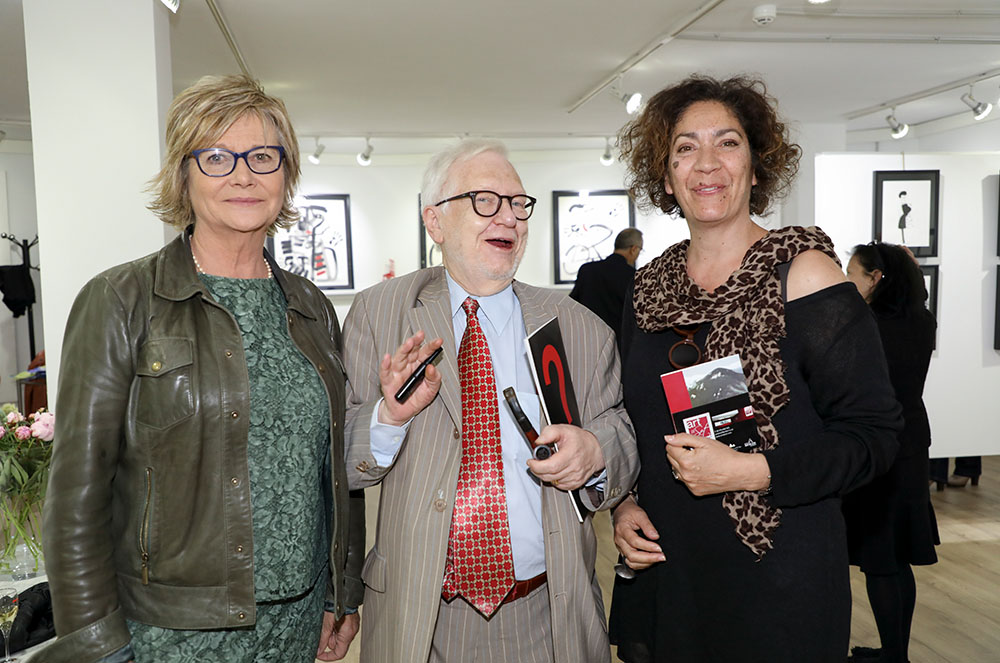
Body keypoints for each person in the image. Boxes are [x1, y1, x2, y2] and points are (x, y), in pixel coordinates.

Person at [41, 75, 364, 663]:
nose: (243, 176)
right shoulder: (122, 299)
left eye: (263, 157)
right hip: (169, 633)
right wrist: (96, 644)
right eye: (216, 157)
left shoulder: (311, 306)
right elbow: (75, 497)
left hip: (297, 623)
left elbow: (332, 470)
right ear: (183, 175)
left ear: (286, 173)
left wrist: (339, 594)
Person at [607, 75, 902, 663]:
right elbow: (631, 420)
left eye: (728, 142)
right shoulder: (648, 291)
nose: (707, 163)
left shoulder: (807, 277)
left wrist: (751, 471)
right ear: (666, 177)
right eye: (685, 147)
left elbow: (875, 436)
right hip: (668, 568)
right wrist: (623, 504)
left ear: (756, 165)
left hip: (777, 577)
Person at [342, 139, 637, 663]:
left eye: (518, 203)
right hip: (420, 619)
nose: (508, 217)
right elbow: (342, 458)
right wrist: (389, 417)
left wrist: (595, 451)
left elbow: (621, 433)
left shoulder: (578, 327)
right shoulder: (379, 314)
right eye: (484, 200)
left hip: (548, 614)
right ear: (434, 221)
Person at [843, 241, 939, 663]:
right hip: (911, 443)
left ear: (875, 278)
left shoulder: (868, 326)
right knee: (897, 557)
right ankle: (895, 652)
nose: (846, 281)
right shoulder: (922, 319)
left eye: (852, 274)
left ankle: (893, 657)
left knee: (881, 559)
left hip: (879, 448)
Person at [569, 228, 643, 336]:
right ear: (634, 249)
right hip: (618, 340)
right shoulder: (633, 276)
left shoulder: (587, 270)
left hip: (587, 336)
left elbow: (572, 303)